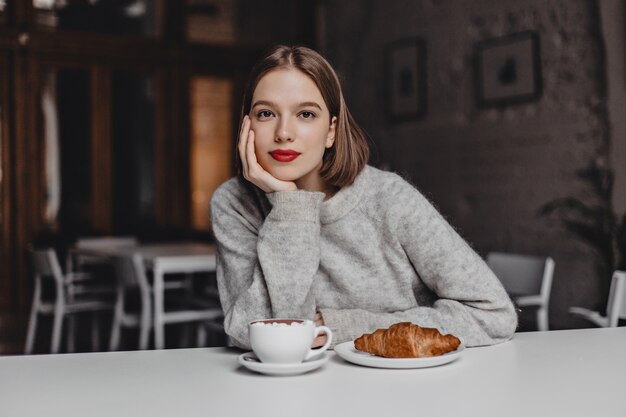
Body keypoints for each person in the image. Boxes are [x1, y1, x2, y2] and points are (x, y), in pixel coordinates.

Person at [210, 44, 517, 349]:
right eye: (266, 113)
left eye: (305, 114)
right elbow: (250, 335)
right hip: (297, 392)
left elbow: (493, 314)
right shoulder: (234, 204)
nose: (284, 132)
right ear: (247, 125)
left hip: (404, 385)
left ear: (331, 130)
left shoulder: (388, 198)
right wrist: (291, 208)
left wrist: (350, 327)